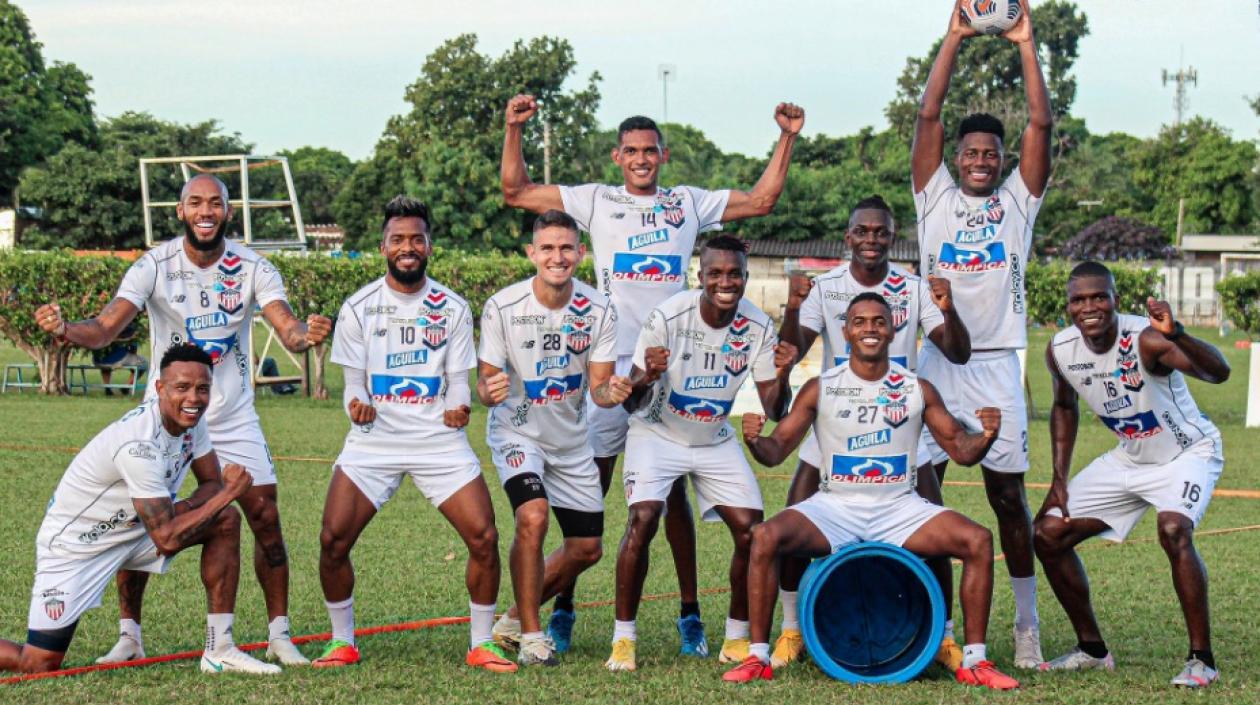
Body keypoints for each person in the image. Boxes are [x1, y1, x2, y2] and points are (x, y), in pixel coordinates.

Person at [502, 97, 804, 655]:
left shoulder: (686, 203)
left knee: (674, 498)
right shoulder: (597, 200)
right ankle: (562, 604)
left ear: (663, 155)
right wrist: (514, 128)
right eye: (632, 152)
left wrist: (786, 137)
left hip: (677, 357)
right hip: (612, 363)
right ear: (618, 157)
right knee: (585, 488)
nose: (642, 160)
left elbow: (761, 201)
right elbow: (516, 192)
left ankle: (690, 613)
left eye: (650, 151)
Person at [34, 174, 331, 666]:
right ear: (180, 210)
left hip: (231, 417)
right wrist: (66, 329)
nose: (205, 211)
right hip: (170, 416)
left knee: (264, 518)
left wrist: (306, 335)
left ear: (228, 212)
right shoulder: (155, 265)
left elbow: (288, 326)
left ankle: (279, 634)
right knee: (144, 518)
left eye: (215, 203)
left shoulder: (253, 266)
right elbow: (107, 327)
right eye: (196, 202)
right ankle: (130, 635)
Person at [726, 293, 1018, 690]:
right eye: (860, 322)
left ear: (894, 329)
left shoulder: (917, 388)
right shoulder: (821, 387)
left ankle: (976, 660)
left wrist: (985, 436)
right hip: (836, 506)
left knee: (978, 540)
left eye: (879, 322)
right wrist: (756, 441)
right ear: (845, 331)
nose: (870, 329)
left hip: (898, 506)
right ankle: (758, 656)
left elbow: (960, 451)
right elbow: (776, 452)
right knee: (764, 537)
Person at [313, 196, 512, 673]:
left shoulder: (454, 308)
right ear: (383, 247)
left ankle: (482, 642)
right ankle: (342, 641)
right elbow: (354, 384)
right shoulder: (358, 307)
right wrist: (355, 408)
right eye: (398, 239)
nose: (408, 247)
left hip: (438, 443)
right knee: (332, 540)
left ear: (429, 246)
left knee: (484, 537)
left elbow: (460, 381)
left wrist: (458, 408)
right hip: (374, 442)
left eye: (416, 239)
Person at [910, 0, 1052, 668]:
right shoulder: (933, 195)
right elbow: (928, 116)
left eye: (989, 154)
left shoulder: (1017, 203)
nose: (979, 160)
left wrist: (1025, 41)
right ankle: (937, 623)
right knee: (923, 485)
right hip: (937, 362)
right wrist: (955, 36)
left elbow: (1041, 121)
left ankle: (1026, 623)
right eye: (971, 152)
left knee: (1007, 497)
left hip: (997, 363)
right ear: (956, 158)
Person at [774, 195, 971, 670]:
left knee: (935, 529)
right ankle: (790, 631)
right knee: (792, 531)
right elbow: (793, 347)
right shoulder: (826, 288)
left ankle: (944, 638)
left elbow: (958, 352)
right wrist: (792, 307)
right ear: (848, 237)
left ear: (892, 236)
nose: (871, 239)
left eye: (880, 231)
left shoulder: (915, 288)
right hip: (834, 427)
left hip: (902, 423)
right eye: (862, 231)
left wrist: (950, 309)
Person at [0, 344, 278, 675]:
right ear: (160, 388)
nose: (194, 398)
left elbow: (209, 484)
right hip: (76, 547)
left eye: (202, 389)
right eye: (182, 388)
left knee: (225, 520)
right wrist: (229, 493)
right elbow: (169, 538)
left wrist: (190, 505)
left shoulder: (191, 421)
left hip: (134, 528)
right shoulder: (138, 445)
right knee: (38, 662)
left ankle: (215, 649)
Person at [605, 235, 796, 672]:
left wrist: (782, 374)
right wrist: (648, 376)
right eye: (716, 273)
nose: (725, 282)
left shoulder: (758, 326)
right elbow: (632, 404)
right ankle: (623, 640)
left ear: (746, 278)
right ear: (700, 275)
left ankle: (734, 636)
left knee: (753, 532)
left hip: (713, 438)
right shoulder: (669, 316)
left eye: (734, 274)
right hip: (657, 433)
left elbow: (775, 408)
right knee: (643, 518)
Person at [1034, 262, 1229, 688]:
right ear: (1067, 306)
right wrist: (1058, 480)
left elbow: (1219, 373)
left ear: (1115, 299)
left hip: (1186, 454)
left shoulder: (1145, 339)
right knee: (1047, 534)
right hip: (1130, 458)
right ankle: (1091, 650)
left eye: (1099, 296)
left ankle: (1202, 660)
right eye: (1079, 299)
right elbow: (1065, 407)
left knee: (1174, 528)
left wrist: (1177, 333)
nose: (1090, 307)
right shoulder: (1060, 350)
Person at [477, 210, 630, 666]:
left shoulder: (598, 309)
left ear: (580, 254)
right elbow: (486, 384)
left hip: (571, 441)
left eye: (566, 248)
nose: (557, 256)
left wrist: (612, 391)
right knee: (533, 516)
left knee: (587, 549)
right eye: (547, 248)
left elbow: (601, 390)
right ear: (532, 253)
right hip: (517, 432)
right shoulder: (502, 306)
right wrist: (489, 390)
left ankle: (509, 620)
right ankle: (531, 636)